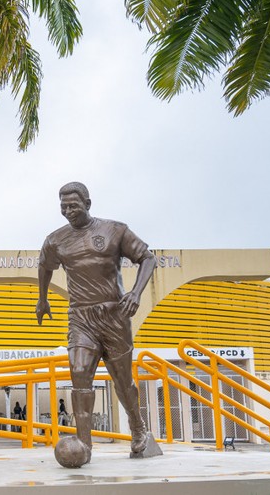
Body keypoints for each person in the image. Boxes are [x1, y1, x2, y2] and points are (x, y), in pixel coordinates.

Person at [36, 181, 157, 455]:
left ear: (88, 204)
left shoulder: (115, 230)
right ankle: (84, 444)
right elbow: (44, 267)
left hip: (114, 315)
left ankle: (138, 428)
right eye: (63, 206)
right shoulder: (55, 240)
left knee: (122, 380)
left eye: (73, 205)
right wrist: (42, 299)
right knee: (79, 373)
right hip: (81, 317)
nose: (68, 210)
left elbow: (148, 259)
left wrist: (136, 293)